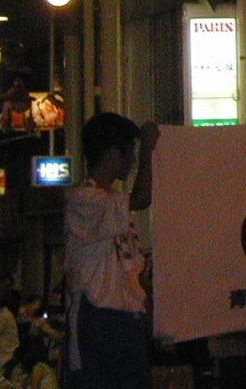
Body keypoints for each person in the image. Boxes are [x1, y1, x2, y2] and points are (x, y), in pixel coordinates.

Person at [63, 111, 159, 389]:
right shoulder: (84, 199)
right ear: (113, 154)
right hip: (99, 318)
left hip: (123, 319)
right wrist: (149, 150)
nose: (133, 161)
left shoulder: (111, 201)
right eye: (131, 153)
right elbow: (143, 197)